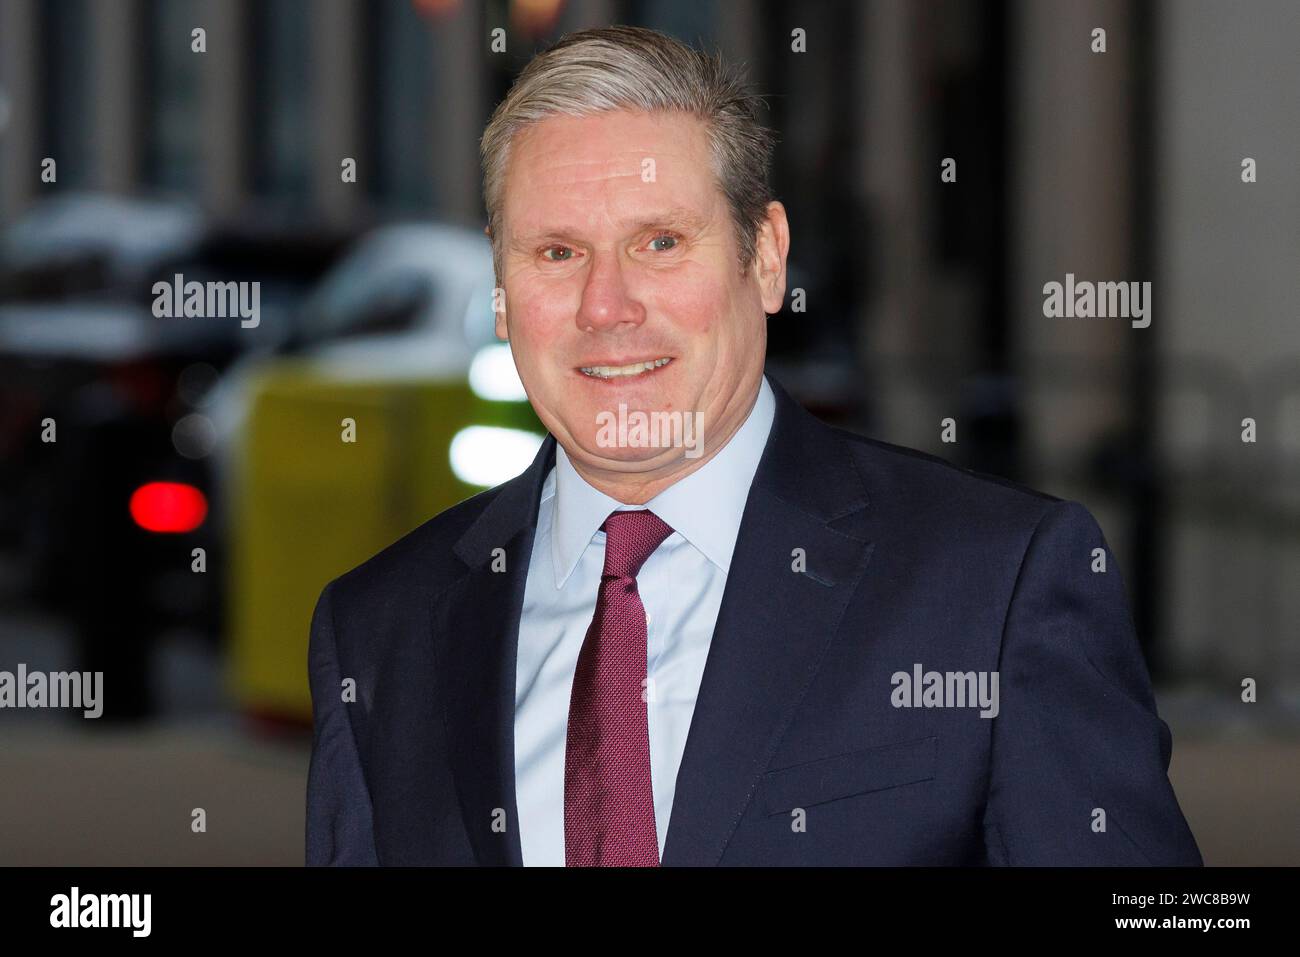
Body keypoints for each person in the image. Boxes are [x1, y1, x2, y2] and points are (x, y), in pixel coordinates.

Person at [306, 25, 1201, 866]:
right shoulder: (379, 629)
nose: (606, 308)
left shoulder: (995, 586)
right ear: (502, 293)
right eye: (556, 253)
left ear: (765, 257)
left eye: (660, 241)